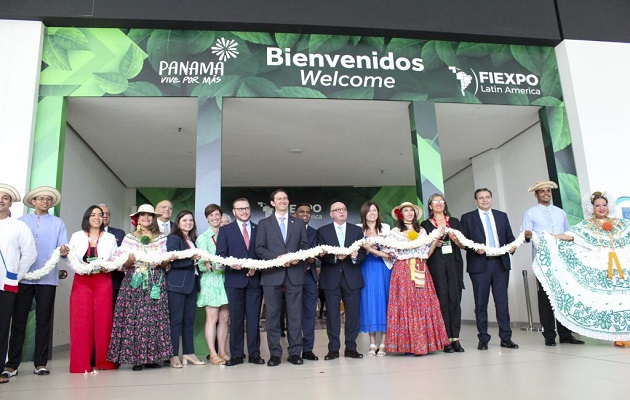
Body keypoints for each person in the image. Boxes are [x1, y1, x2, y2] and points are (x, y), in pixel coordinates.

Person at [533, 191, 630, 345]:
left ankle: (626, 334)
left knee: (624, 299)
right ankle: (616, 335)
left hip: (622, 266)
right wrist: (552, 237)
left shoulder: (620, 223)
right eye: (597, 205)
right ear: (592, 208)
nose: (601, 208)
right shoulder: (588, 224)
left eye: (604, 205)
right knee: (610, 300)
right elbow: (571, 236)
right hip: (603, 267)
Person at [5, 186, 67, 377]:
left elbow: (62, 249)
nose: (45, 202)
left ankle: (40, 363)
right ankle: (12, 364)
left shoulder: (58, 223)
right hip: (22, 278)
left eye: (48, 199)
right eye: (41, 199)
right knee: (18, 321)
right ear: (33, 202)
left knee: (44, 321)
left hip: (47, 279)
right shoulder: (20, 222)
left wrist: (65, 253)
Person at [107, 204, 172, 371]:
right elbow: (122, 263)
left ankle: (152, 357)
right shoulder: (129, 237)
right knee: (135, 318)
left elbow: (166, 261)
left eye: (149, 215)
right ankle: (136, 358)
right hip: (134, 279)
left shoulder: (162, 237)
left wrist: (163, 261)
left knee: (154, 318)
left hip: (156, 279)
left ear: (154, 218)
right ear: (137, 218)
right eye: (143, 215)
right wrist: (130, 261)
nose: (146, 218)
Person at [521, 181, 584, 346]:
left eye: (548, 191)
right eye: (542, 191)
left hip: (561, 260)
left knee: (563, 297)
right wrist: (527, 234)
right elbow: (525, 236)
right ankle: (549, 335)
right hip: (543, 261)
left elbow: (568, 234)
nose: (546, 193)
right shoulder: (530, 213)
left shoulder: (560, 212)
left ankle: (565, 335)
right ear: (536, 195)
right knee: (545, 297)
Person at [385, 201, 449, 355]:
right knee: (406, 305)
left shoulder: (422, 232)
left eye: (411, 210)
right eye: (406, 210)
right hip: (402, 270)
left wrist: (435, 240)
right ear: (401, 214)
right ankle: (408, 345)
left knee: (423, 303)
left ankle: (425, 343)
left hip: (420, 267)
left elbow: (426, 254)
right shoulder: (393, 233)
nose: (409, 213)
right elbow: (389, 252)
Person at [61, 205, 119, 373]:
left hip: (103, 280)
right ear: (87, 217)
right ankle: (80, 364)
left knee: (104, 320)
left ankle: (105, 361)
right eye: (93, 215)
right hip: (82, 280)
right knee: (80, 321)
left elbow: (115, 259)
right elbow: (70, 259)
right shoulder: (77, 236)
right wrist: (66, 255)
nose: (97, 217)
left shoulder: (110, 237)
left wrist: (110, 266)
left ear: (104, 219)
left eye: (100, 215)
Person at [255, 189, 309, 366]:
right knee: (272, 316)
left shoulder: (299, 223)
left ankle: (295, 353)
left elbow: (304, 246)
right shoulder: (263, 224)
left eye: (285, 198)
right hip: (272, 275)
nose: (283, 201)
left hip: (294, 274)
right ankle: (275, 354)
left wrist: (295, 258)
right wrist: (278, 259)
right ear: (272, 203)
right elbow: (259, 249)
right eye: (279, 198)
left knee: (295, 315)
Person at [460, 188, 518, 351]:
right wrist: (473, 250)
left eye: (487, 197)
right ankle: (483, 338)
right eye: (481, 198)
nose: (484, 200)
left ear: (491, 199)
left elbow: (510, 237)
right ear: (476, 201)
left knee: (502, 302)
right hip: (479, 265)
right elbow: (463, 241)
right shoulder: (468, 217)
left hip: (500, 264)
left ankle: (506, 338)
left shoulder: (502, 216)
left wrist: (513, 247)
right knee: (481, 303)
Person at [215, 198, 264, 366]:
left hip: (254, 281)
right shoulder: (226, 230)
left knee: (253, 319)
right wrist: (230, 263)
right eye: (240, 209)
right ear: (234, 211)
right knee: (235, 320)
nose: (244, 211)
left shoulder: (259, 229)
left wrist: (256, 267)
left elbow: (263, 253)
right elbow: (220, 255)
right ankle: (236, 355)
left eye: (246, 208)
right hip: (234, 281)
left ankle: (254, 353)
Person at [317, 201, 366, 360]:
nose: (341, 212)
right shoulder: (323, 231)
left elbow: (363, 253)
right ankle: (333, 349)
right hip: (331, 278)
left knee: (353, 315)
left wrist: (355, 257)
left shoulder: (357, 230)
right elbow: (319, 254)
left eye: (344, 209)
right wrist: (335, 257)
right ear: (331, 214)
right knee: (332, 315)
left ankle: (351, 347)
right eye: (337, 210)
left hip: (352, 277)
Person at [0, 184, 37, 384]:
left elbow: (30, 253)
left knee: (3, 326)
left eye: (5, 197)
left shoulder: (19, 226)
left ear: (10, 202)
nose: (1, 200)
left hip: (6, 285)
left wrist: (16, 275)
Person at [420, 194, 466, 353]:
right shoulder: (425, 225)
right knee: (442, 301)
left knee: (455, 299)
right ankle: (445, 339)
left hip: (454, 263)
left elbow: (464, 245)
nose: (439, 204)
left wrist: (455, 240)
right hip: (436, 264)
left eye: (441, 201)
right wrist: (434, 242)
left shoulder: (454, 222)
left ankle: (456, 338)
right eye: (435, 202)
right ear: (430, 206)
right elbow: (423, 249)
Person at [166, 210, 204, 367]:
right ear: (178, 222)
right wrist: (192, 259)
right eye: (185, 220)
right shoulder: (174, 238)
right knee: (175, 321)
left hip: (192, 284)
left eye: (191, 220)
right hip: (177, 285)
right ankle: (173, 355)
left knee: (189, 321)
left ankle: (189, 353)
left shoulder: (192, 239)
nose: (188, 223)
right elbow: (173, 262)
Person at [196, 204, 230, 365]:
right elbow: (201, 263)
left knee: (224, 318)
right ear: (207, 218)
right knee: (212, 318)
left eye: (217, 215)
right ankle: (213, 353)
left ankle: (223, 351)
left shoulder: (226, 235)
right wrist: (207, 263)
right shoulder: (203, 238)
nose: (215, 218)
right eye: (211, 215)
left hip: (225, 279)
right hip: (210, 280)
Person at [358, 201, 392, 356]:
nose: (372, 213)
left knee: (384, 301)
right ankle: (372, 343)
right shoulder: (358, 229)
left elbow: (392, 251)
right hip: (365, 267)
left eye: (375, 210)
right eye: (369, 210)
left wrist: (372, 249)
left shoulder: (386, 229)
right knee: (369, 301)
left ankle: (384, 343)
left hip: (383, 267)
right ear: (364, 213)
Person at [294, 203, 320, 361]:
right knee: (294, 314)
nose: (305, 214)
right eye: (301, 212)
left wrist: (313, 257)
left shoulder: (314, 232)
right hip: (293, 277)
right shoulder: (290, 231)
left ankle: (308, 349)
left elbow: (317, 252)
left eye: (308, 212)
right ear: (295, 214)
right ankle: (295, 349)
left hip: (310, 276)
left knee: (310, 315)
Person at [98, 203, 126, 305]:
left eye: (107, 214)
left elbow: (123, 254)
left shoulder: (119, 233)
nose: (105, 216)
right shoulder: (86, 233)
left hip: (114, 280)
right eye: (102, 213)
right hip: (94, 279)